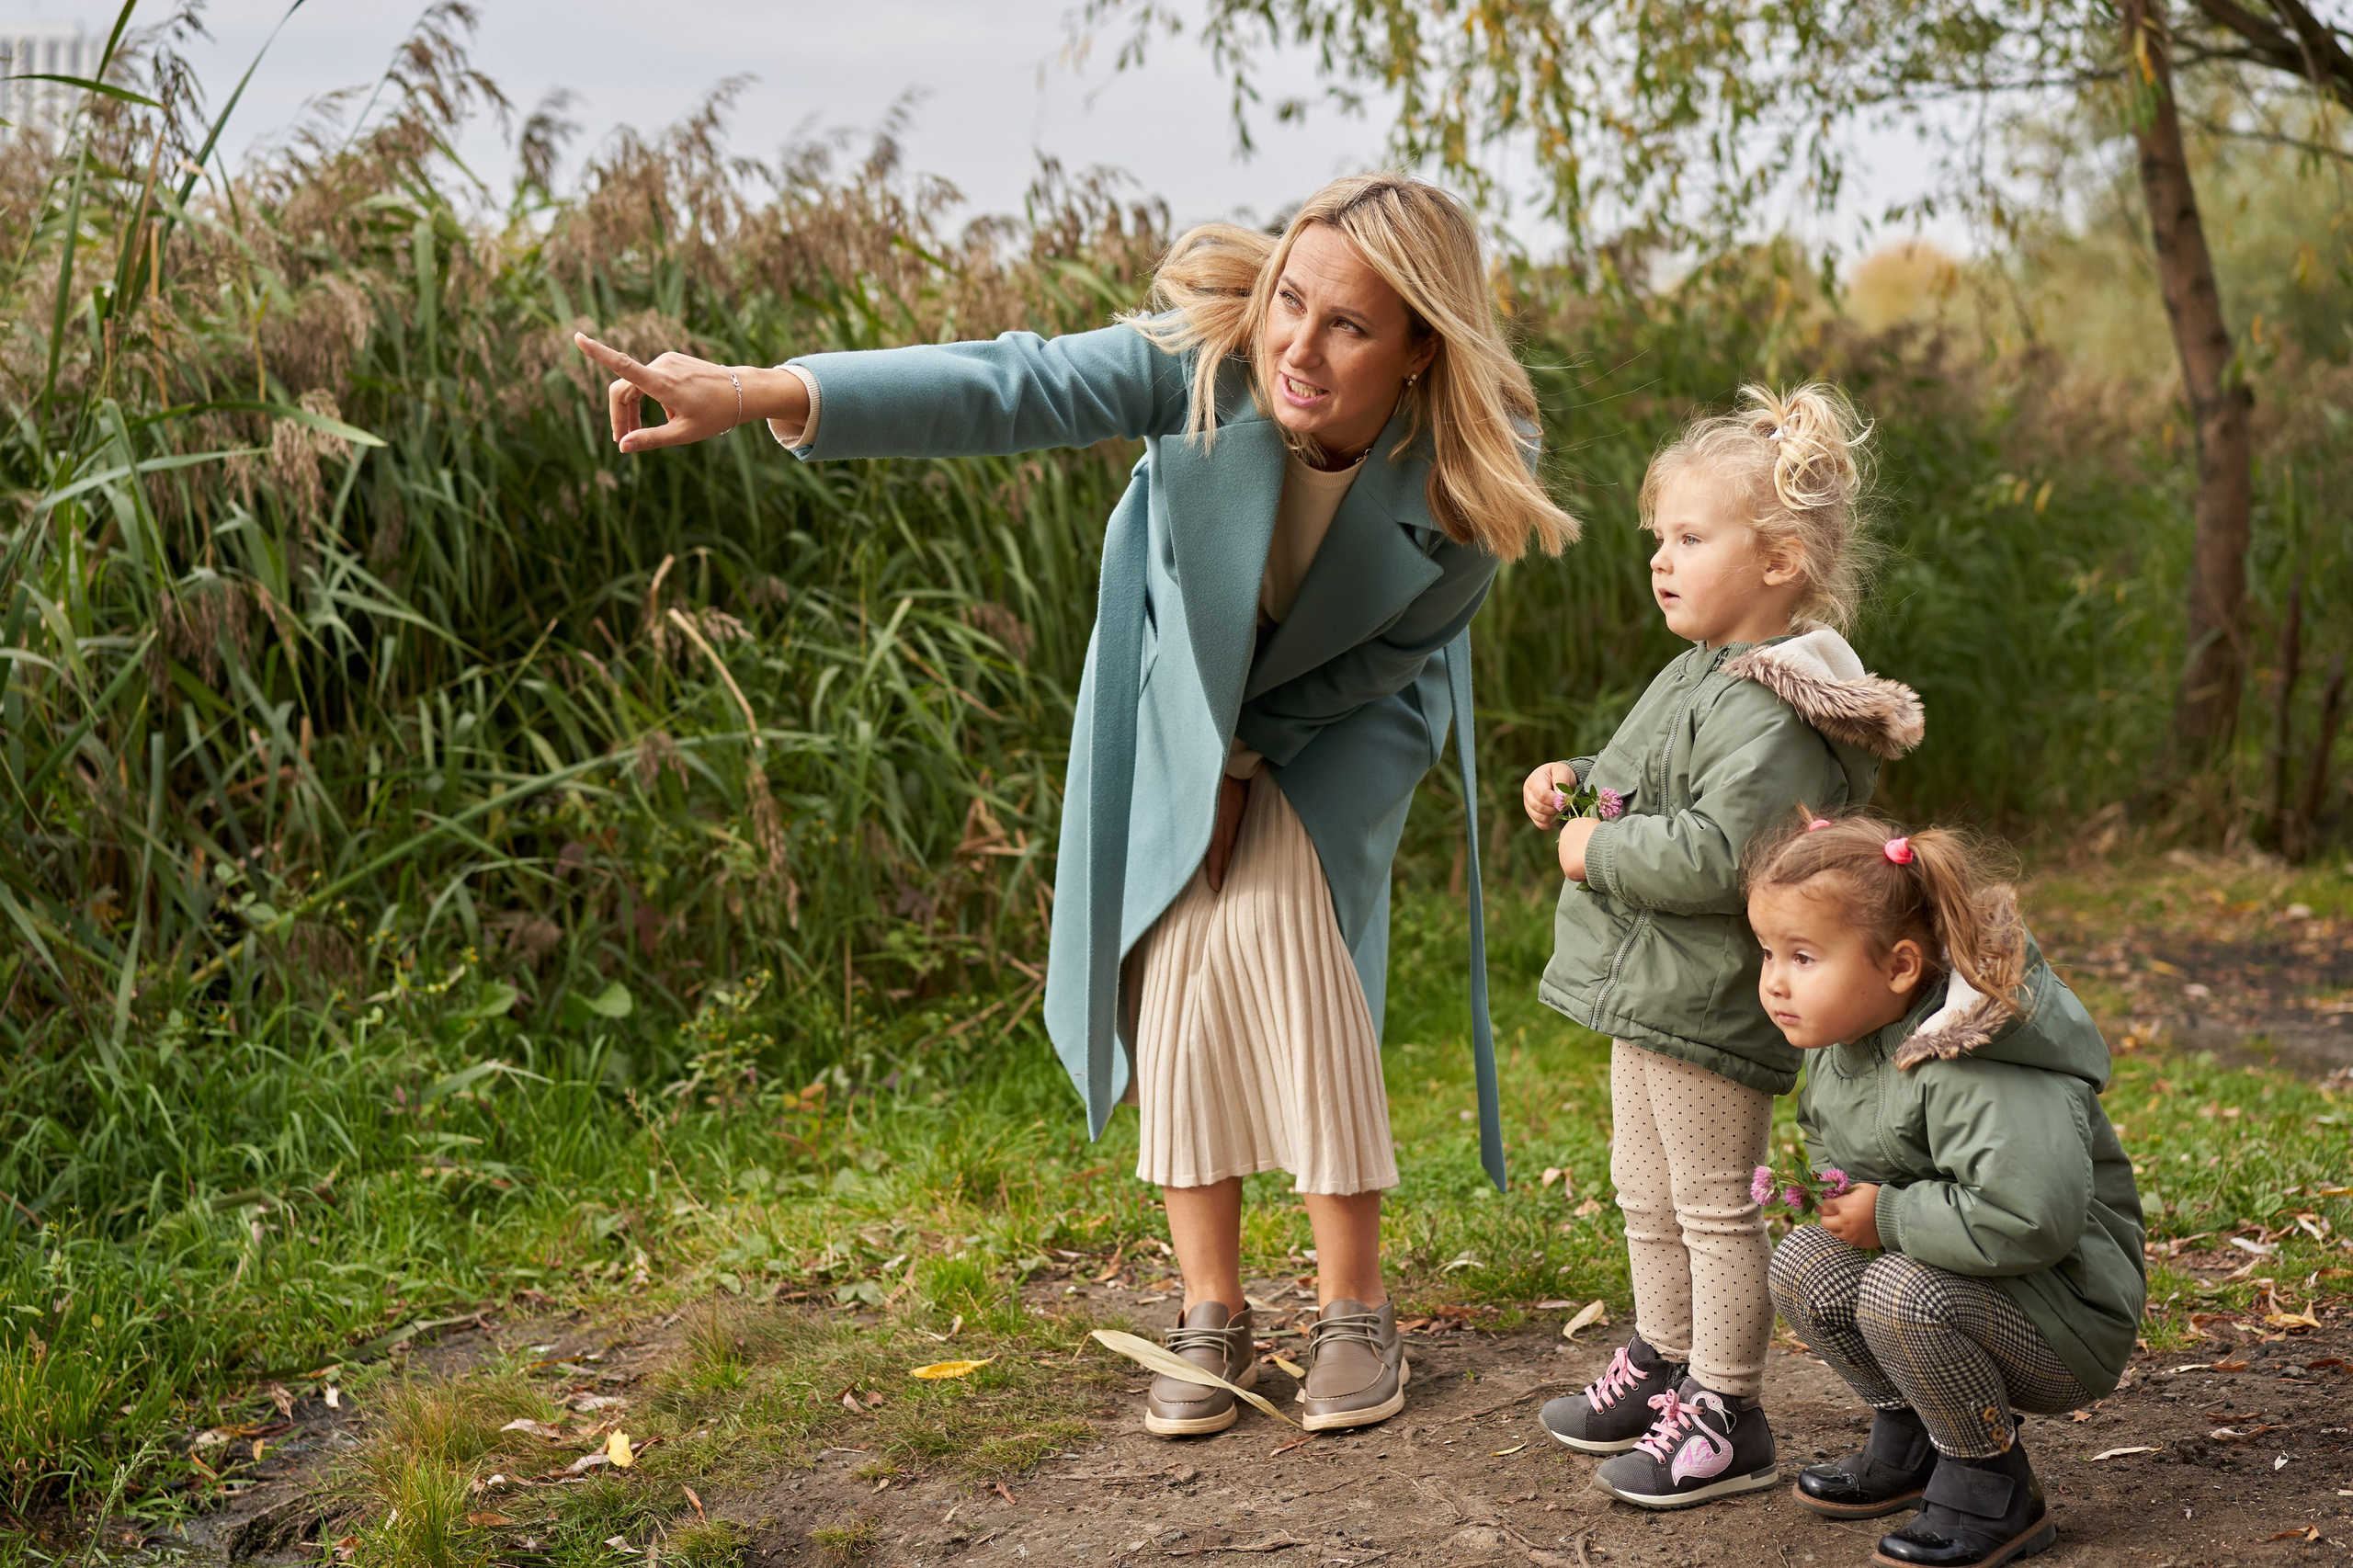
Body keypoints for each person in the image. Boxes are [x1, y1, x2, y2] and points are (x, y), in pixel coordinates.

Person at [574, 173, 1575, 1437]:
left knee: (1281, 923)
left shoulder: (1475, 467)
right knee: (1173, 948)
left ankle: (1355, 1308)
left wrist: (1247, 769)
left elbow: (1389, 655)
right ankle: (1214, 1306)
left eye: (1349, 327)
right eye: (1290, 303)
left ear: (1422, 347)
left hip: (1343, 716)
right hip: (1186, 698)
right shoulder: (1208, 364)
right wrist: (765, 391)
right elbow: (1012, 384)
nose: (1298, 348)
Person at [1517, 385, 1926, 1507]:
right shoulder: (1702, 666)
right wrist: (1576, 783)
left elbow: (1717, 854)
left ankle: (1727, 1406)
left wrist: (1593, 853)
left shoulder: (1778, 709)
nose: (1661, 559)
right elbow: (1643, 777)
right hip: (1651, 989)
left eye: (1690, 538)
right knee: (1641, 1190)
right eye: (1659, 538)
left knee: (1710, 1203)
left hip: (1709, 998)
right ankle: (1659, 1357)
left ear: (1781, 559)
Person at [1748, 813, 2145, 1568]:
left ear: (1900, 966)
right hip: (1971, 1285)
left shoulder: (1980, 1064)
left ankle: (1993, 1482)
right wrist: (1835, 1202)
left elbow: (2031, 1219)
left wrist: (1888, 1214)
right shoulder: (1846, 1046)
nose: (1773, 980)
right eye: (1767, 952)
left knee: (1901, 1291)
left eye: (1803, 956)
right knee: (1804, 1263)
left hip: (2065, 1319)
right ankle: (1916, 1443)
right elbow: (1843, 1157)